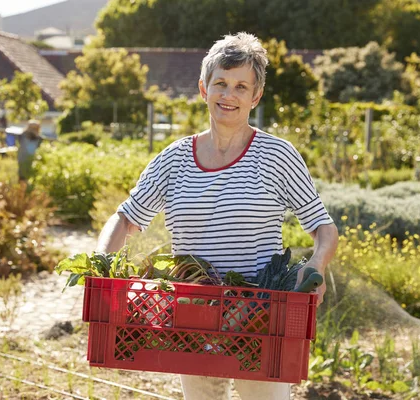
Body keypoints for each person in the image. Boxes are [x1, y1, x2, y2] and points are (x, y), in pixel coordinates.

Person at [95, 32, 339, 400]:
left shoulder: (277, 156)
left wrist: (317, 263)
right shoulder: (173, 159)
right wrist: (101, 267)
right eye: (220, 83)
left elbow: (323, 227)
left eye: (241, 87)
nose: (229, 95)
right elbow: (126, 218)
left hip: (259, 316)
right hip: (191, 316)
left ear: (255, 97)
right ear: (203, 88)